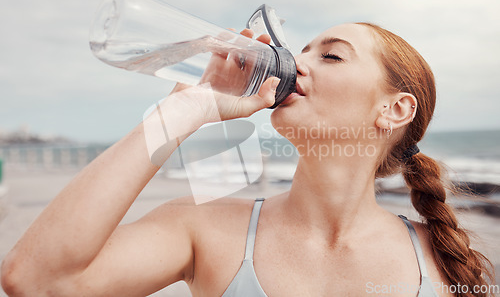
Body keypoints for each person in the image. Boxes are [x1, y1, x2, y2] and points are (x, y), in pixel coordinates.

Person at [1, 23, 494, 297]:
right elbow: (38, 280)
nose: (295, 62)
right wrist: (183, 111)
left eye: (332, 56)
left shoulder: (446, 262)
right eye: (301, 49)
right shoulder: (204, 230)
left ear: (395, 109)